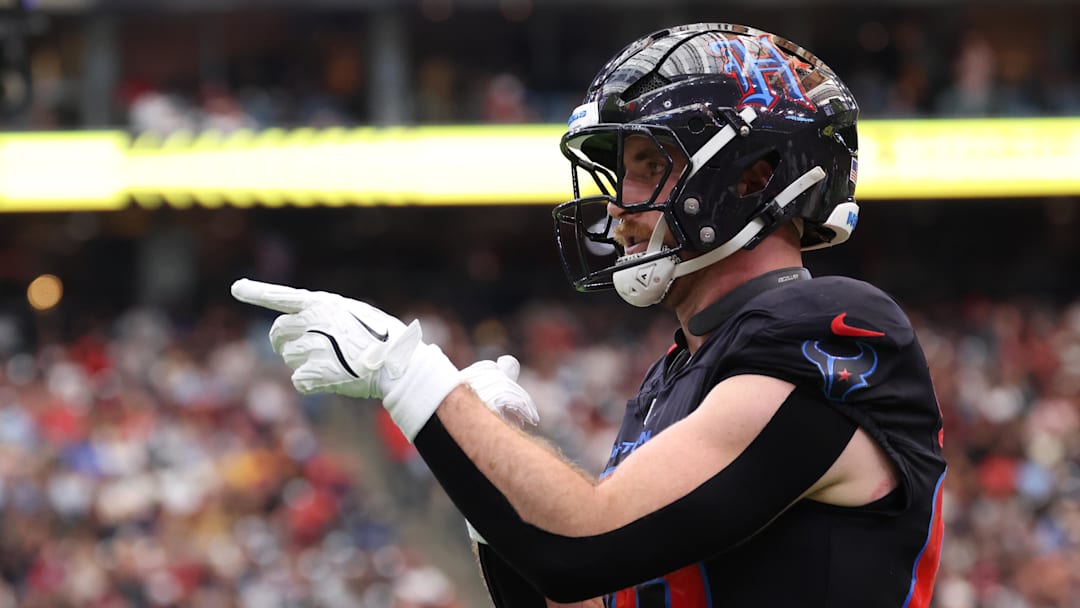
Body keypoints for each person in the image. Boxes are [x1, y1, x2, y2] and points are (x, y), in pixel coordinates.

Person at [232, 23, 946, 607]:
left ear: (752, 177)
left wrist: (412, 375)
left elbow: (583, 544)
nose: (618, 204)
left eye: (645, 162)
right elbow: (573, 576)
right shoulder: (679, 375)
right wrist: (490, 470)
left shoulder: (833, 323)